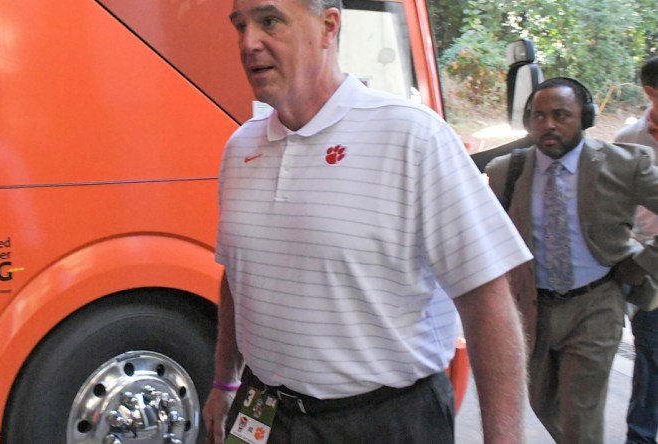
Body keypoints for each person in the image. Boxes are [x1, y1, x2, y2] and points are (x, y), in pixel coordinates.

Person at [202, 0, 533, 442]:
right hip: (262, 411)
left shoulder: (414, 136)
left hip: (383, 421)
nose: (248, 43)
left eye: (269, 21)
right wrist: (226, 382)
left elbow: (487, 302)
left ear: (329, 27)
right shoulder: (240, 148)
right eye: (239, 26)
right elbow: (237, 278)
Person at [486, 77, 658, 444]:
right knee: (543, 404)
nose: (548, 124)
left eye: (560, 115)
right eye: (538, 116)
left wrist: (645, 261)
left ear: (585, 118)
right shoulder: (507, 171)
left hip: (595, 305)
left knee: (580, 414)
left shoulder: (624, 165)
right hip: (533, 309)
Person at [615, 55, 658, 444]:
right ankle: (641, 438)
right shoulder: (629, 142)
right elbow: (612, 210)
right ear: (650, 92)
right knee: (651, 360)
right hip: (651, 271)